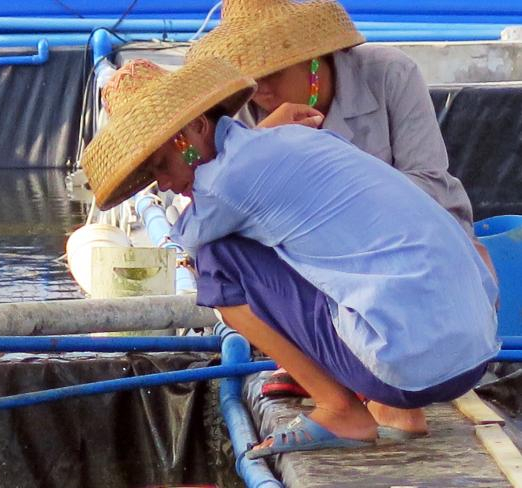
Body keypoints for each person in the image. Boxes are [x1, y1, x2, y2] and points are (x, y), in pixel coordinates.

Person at [81, 58, 499, 457]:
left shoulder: (225, 182)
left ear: (195, 127)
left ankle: (340, 410)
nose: (167, 184)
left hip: (408, 371)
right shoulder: (299, 136)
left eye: (163, 164)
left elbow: (185, 241)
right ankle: (400, 412)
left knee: (216, 259)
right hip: (476, 356)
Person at [187, 0, 496, 397]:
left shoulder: (389, 74)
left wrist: (338, 199)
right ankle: (323, 367)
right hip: (320, 257)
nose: (261, 88)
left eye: (273, 72)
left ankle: (347, 386)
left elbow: (430, 183)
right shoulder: (242, 108)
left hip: (411, 248)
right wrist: (262, 141)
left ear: (313, 57)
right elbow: (218, 211)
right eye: (249, 76)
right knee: (219, 251)